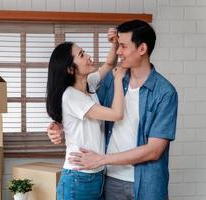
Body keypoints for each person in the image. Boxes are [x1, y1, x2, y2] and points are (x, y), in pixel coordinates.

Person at [48, 20, 178, 200]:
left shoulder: (164, 93)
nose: (118, 51)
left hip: (147, 183)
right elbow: (81, 110)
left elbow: (154, 150)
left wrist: (101, 159)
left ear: (142, 49)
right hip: (108, 180)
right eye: (118, 45)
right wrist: (58, 124)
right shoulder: (111, 81)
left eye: (123, 46)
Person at [46, 28, 126, 200]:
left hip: (94, 175)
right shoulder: (72, 96)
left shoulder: (88, 83)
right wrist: (118, 79)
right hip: (78, 178)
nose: (88, 56)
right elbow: (117, 114)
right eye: (82, 55)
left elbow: (109, 64)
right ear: (70, 69)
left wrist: (114, 44)